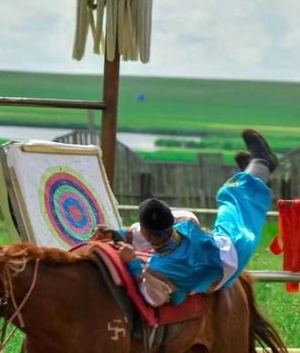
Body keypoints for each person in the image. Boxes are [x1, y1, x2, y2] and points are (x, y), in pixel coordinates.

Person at [117, 129, 277, 307]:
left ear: (145, 232)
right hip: (231, 247)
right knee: (230, 194)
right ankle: (258, 169)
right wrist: (126, 234)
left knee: (233, 194)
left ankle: (262, 165)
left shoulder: (158, 269)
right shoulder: (184, 221)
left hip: (229, 257)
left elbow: (153, 299)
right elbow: (164, 226)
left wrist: (131, 260)